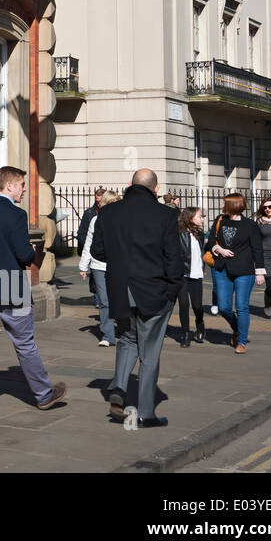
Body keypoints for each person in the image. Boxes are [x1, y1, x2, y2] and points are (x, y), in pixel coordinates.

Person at [0, 165, 66, 418]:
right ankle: (43, 395)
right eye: (22, 184)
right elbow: (24, 255)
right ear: (9, 186)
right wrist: (31, 249)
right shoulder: (16, 215)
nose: (24, 189)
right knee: (24, 343)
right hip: (10, 289)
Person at [91, 168, 183, 428]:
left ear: (130, 185)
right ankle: (145, 412)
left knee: (127, 339)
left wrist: (121, 262)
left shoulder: (108, 212)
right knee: (150, 352)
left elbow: (98, 251)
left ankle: (119, 386)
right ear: (155, 189)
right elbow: (173, 258)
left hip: (120, 289)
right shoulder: (166, 214)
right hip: (154, 290)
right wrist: (173, 291)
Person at [207, 193, 267, 354]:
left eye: (224, 204)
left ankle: (241, 342)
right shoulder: (220, 220)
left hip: (244, 271)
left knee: (241, 306)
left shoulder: (250, 225)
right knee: (224, 306)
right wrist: (218, 249)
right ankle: (237, 328)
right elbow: (211, 239)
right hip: (222, 269)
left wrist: (260, 272)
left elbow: (257, 249)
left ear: (233, 206)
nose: (221, 206)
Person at [79, 189, 119, 345]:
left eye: (117, 203)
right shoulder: (96, 220)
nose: (115, 206)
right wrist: (83, 266)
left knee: (118, 299)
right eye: (112, 203)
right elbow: (89, 242)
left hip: (118, 266)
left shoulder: (123, 220)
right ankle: (108, 335)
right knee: (104, 301)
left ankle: (124, 329)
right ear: (105, 204)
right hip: (98, 265)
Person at [175, 206, 207, 348]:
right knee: (183, 304)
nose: (202, 219)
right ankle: (185, 333)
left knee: (197, 306)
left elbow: (201, 254)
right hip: (182, 273)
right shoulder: (179, 233)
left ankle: (200, 325)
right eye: (200, 216)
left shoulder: (200, 234)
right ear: (190, 218)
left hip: (196, 273)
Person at [75, 187, 104, 254]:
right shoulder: (89, 213)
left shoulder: (110, 212)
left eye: (101, 201)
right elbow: (81, 233)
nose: (99, 203)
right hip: (92, 249)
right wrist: (90, 247)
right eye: (97, 201)